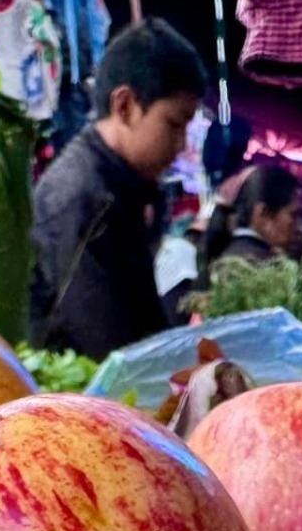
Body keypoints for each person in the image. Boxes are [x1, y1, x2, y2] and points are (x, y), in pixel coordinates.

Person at [28, 18, 207, 359]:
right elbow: (106, 348)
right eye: (173, 124)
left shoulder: (122, 185)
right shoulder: (80, 197)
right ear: (124, 105)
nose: (181, 143)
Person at [204, 164, 302, 271]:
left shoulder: (228, 258)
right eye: (293, 215)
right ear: (262, 213)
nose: (299, 227)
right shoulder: (268, 269)